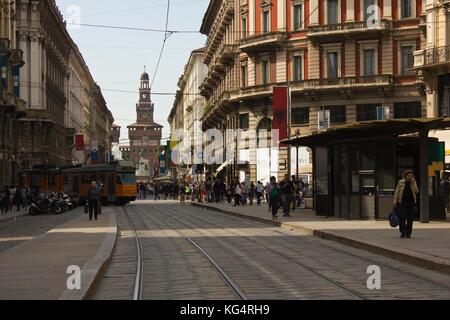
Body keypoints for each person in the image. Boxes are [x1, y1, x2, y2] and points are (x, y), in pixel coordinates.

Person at [394, 171, 419, 239]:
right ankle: (403, 232)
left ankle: (408, 233)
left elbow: (416, 191)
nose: (410, 177)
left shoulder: (413, 182)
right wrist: (395, 201)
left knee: (410, 218)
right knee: (402, 217)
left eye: (411, 176)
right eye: (408, 176)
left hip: (411, 203)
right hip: (402, 203)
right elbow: (397, 192)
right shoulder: (400, 182)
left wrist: (413, 183)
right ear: (405, 176)